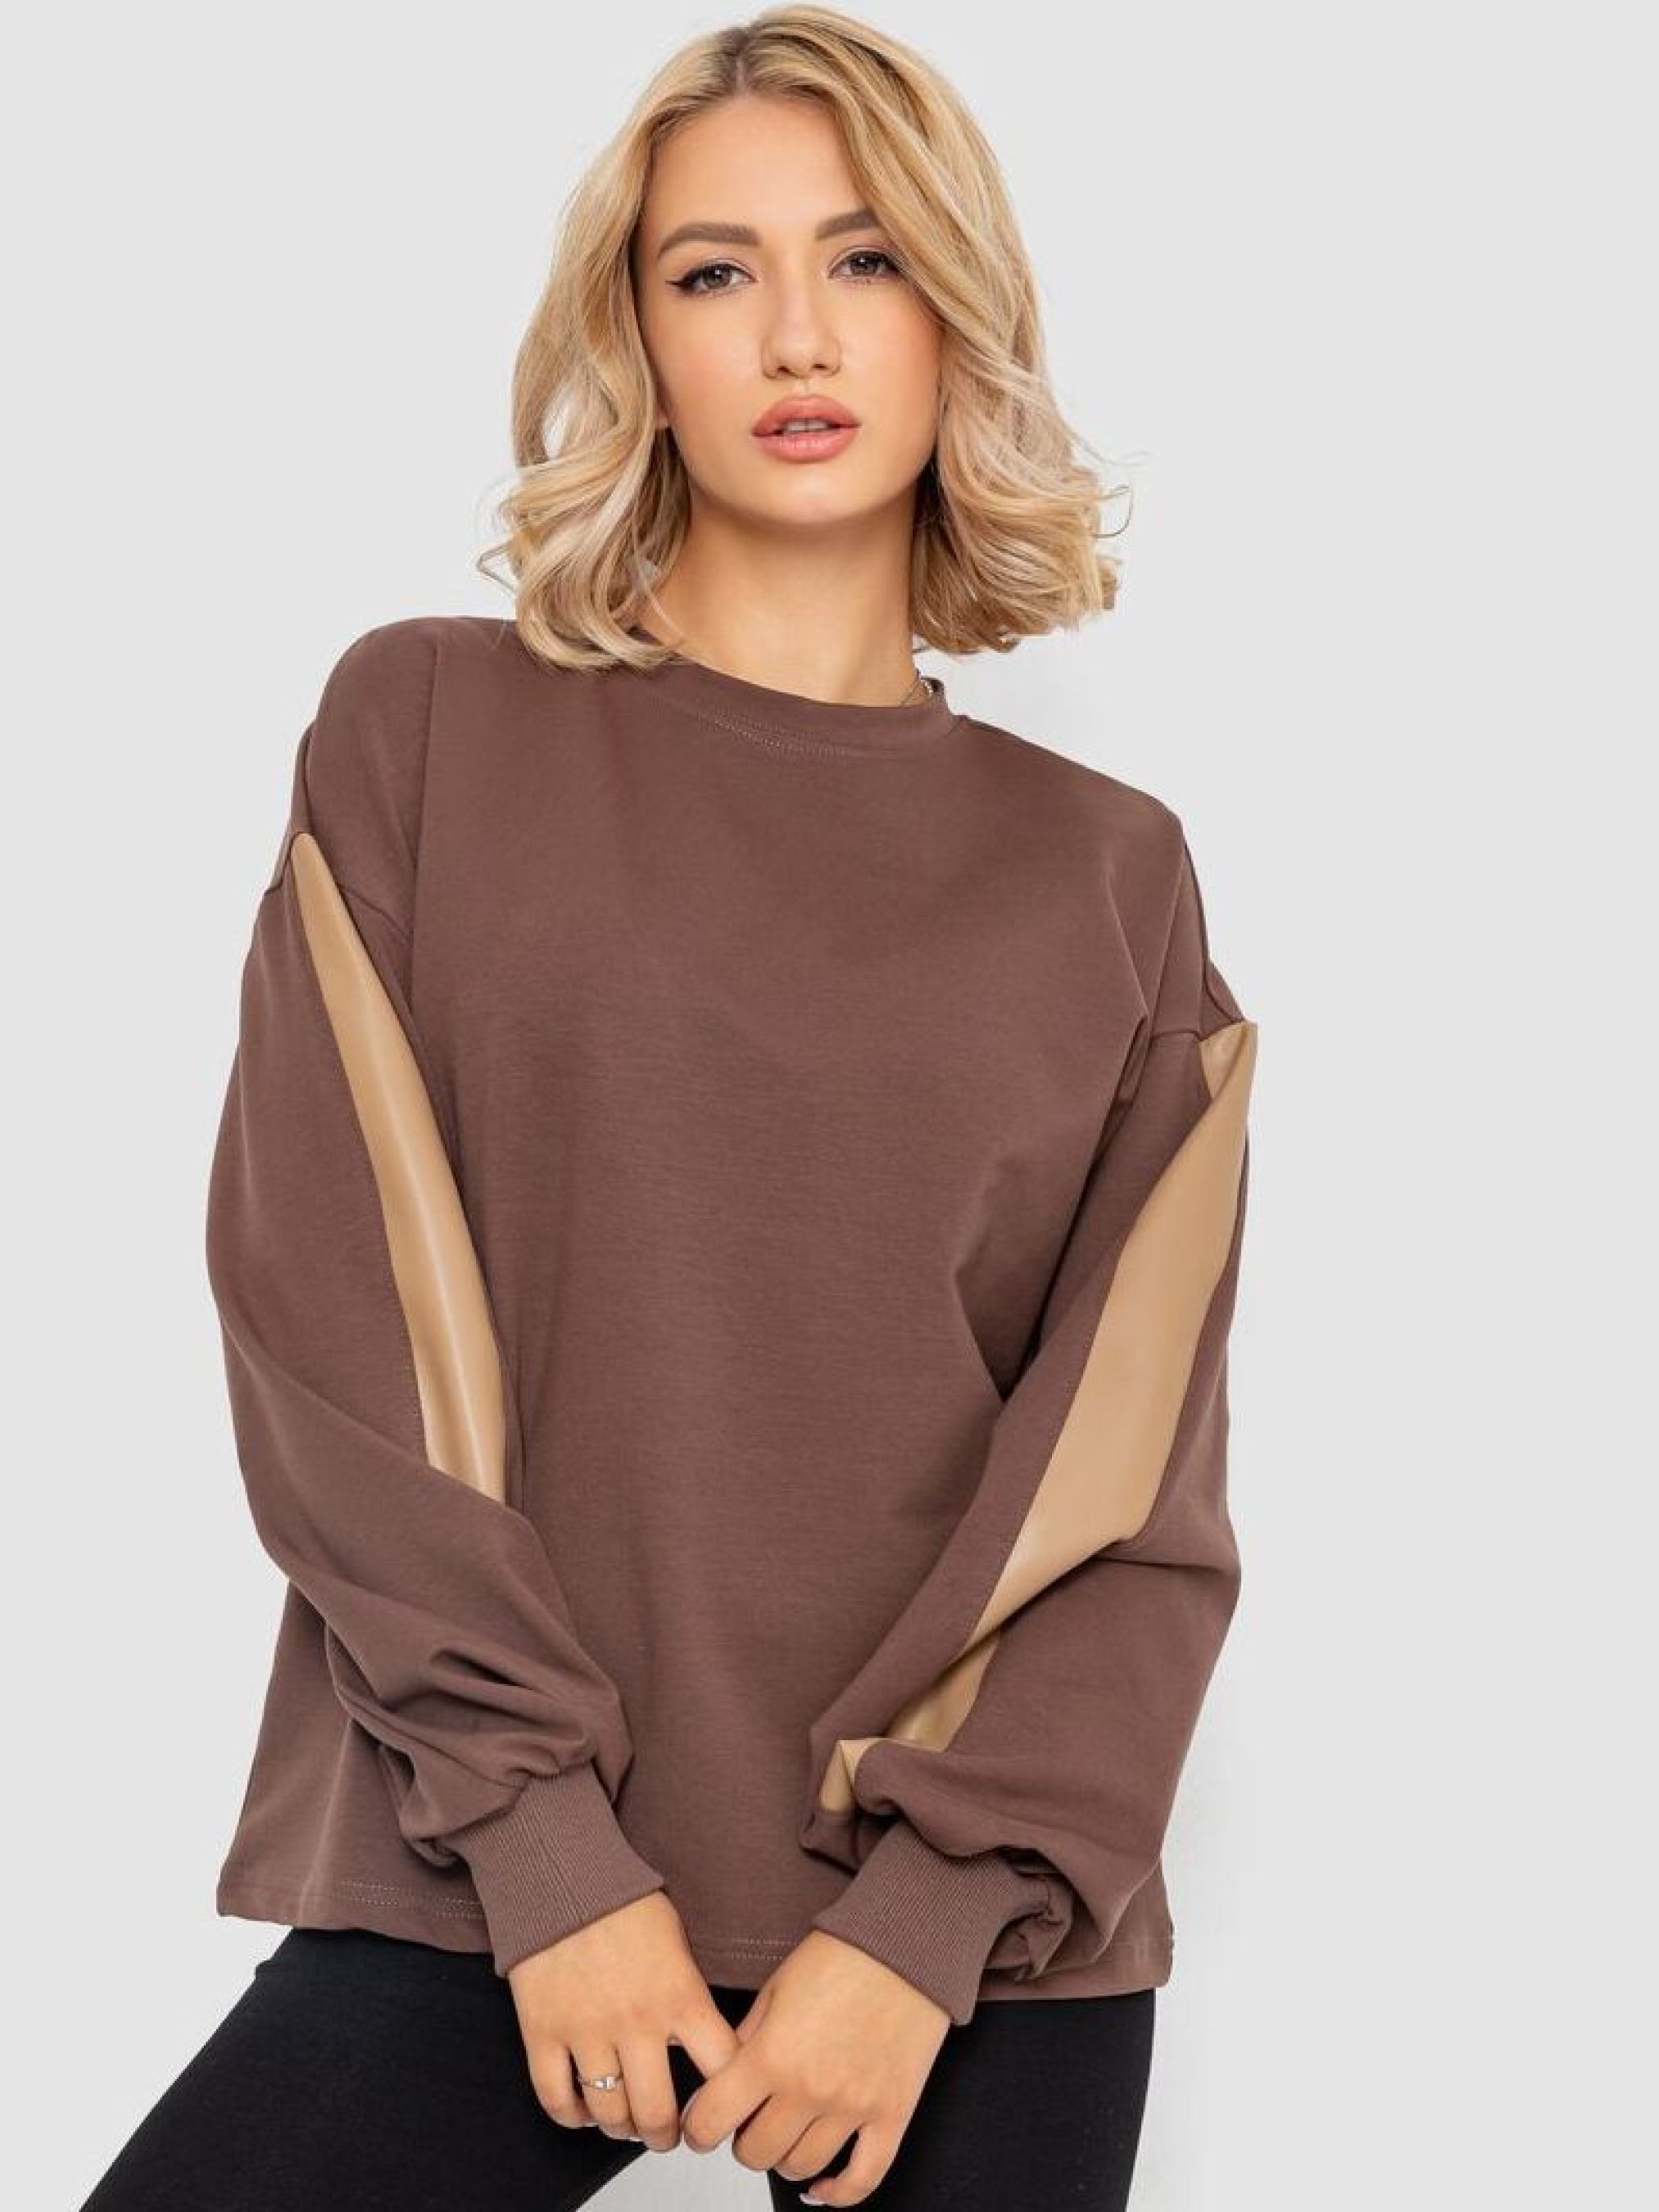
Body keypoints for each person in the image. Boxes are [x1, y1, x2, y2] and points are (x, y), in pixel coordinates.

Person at [79, 7, 1258, 2207]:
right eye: (715, 270)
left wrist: (919, 1924)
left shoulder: (1112, 872)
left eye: (867, 258)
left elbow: (1130, 1477)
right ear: (637, 338)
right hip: (487, 1870)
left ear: (959, 314)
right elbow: (329, 1324)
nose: (797, 331)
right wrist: (545, 1846)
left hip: (956, 1946)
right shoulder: (427, 730)